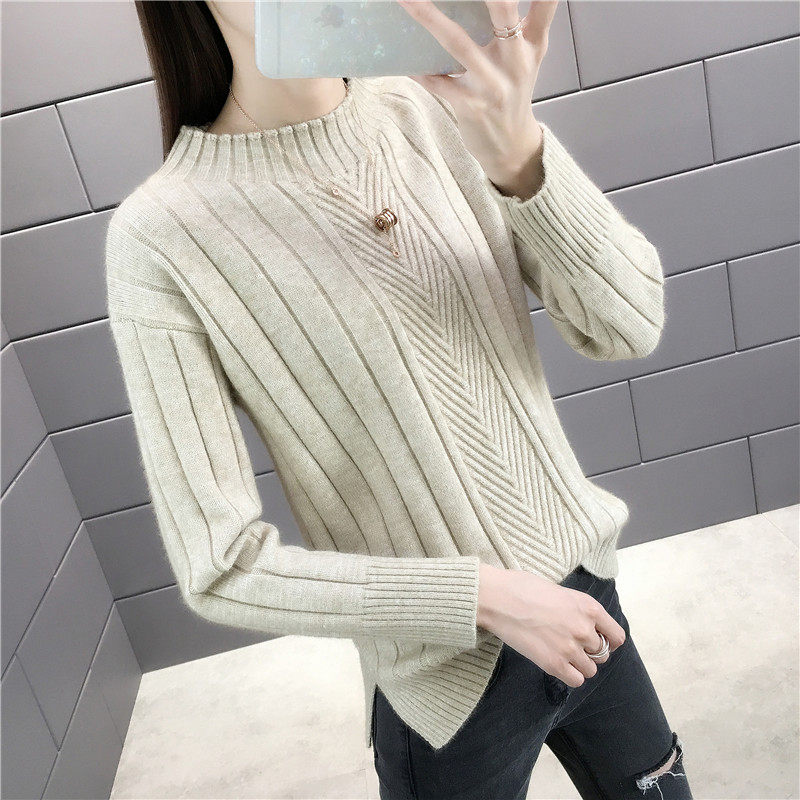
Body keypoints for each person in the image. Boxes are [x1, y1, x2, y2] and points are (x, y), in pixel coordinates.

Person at [107, 1, 692, 798]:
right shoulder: (161, 237)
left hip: (588, 602)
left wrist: (521, 156)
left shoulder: (437, 107)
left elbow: (629, 325)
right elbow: (221, 566)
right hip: (444, 690)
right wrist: (485, 596)